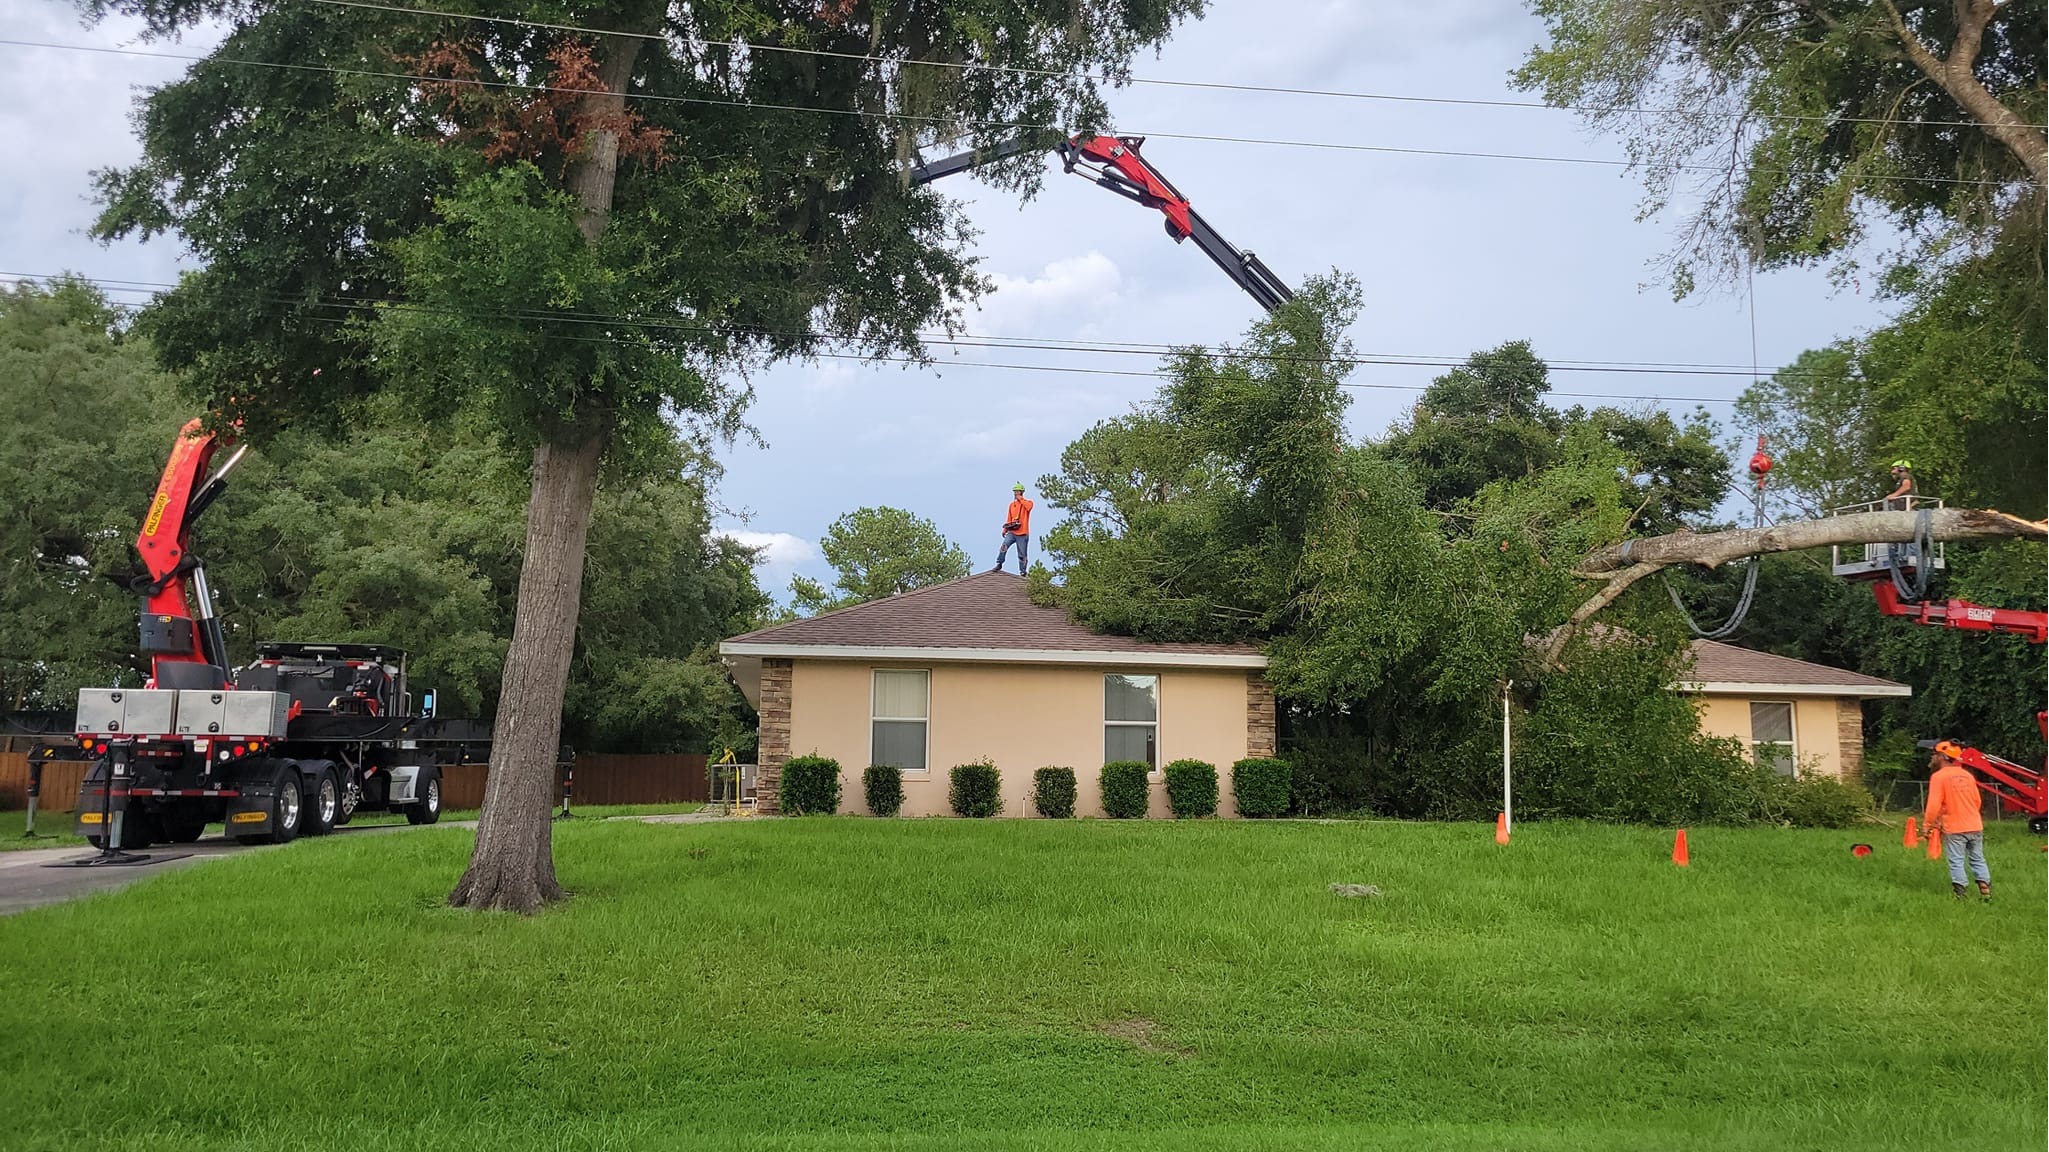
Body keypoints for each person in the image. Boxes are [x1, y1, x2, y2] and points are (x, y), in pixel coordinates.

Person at [1923, 740, 1991, 901]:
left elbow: (1933, 804)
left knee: (1956, 861)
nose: (1932, 757)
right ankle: (1986, 893)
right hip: (1975, 825)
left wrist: (1928, 825)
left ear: (1942, 757)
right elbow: (1977, 801)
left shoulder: (1939, 777)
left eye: (1934, 754)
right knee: (1978, 858)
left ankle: (1961, 896)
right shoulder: (1967, 775)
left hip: (1955, 828)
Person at [991, 481, 1032, 574]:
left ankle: (1023, 571)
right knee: (1003, 547)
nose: (1015, 493)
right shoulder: (1011, 505)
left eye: (1017, 491)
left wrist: (1021, 499)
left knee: (1022, 554)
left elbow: (1029, 507)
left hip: (1022, 533)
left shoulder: (1027, 503)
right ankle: (999, 563)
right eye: (1014, 492)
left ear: (1021, 492)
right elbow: (1009, 518)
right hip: (1012, 532)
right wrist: (1005, 529)